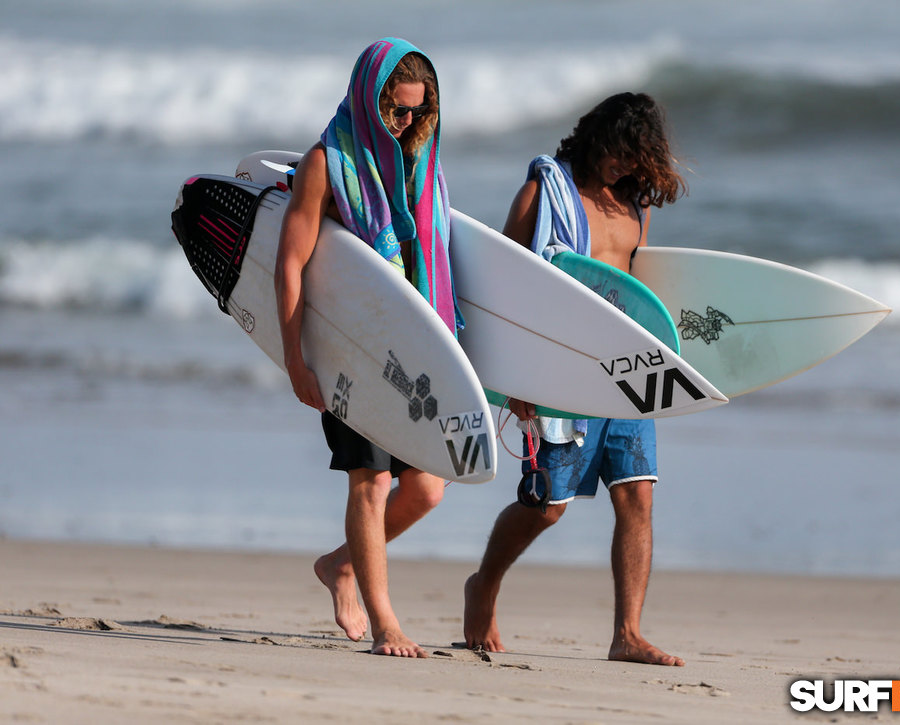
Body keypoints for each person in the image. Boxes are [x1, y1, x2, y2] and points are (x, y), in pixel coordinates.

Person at [463, 92, 687, 667]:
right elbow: (503, 286)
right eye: (616, 151)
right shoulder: (545, 192)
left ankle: (627, 634)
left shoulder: (638, 204)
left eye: (634, 156)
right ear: (593, 136)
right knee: (548, 505)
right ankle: (483, 585)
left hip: (624, 369)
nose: (622, 165)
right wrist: (517, 376)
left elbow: (635, 290)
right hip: (561, 367)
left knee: (638, 494)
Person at [274, 38, 458, 658]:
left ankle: (341, 566)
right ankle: (386, 624)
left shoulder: (420, 164)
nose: (406, 123)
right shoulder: (327, 163)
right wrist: (296, 359)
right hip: (350, 345)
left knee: (429, 487)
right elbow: (290, 264)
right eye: (396, 111)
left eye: (416, 112)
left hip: (411, 349)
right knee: (371, 483)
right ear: (367, 99)